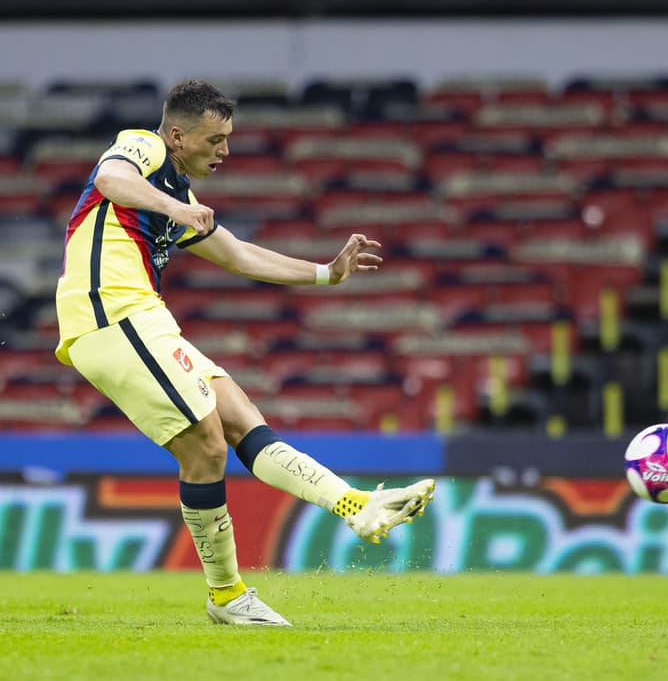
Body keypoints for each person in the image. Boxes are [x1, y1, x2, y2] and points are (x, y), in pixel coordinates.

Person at [55, 79, 435, 627]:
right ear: (180, 135)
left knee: (239, 417)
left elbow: (238, 255)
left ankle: (356, 506)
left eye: (229, 139)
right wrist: (176, 209)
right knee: (205, 448)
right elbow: (111, 178)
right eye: (215, 140)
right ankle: (228, 595)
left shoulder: (175, 197)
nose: (225, 151)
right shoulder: (144, 146)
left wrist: (326, 273)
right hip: (110, 313)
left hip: (142, 317)